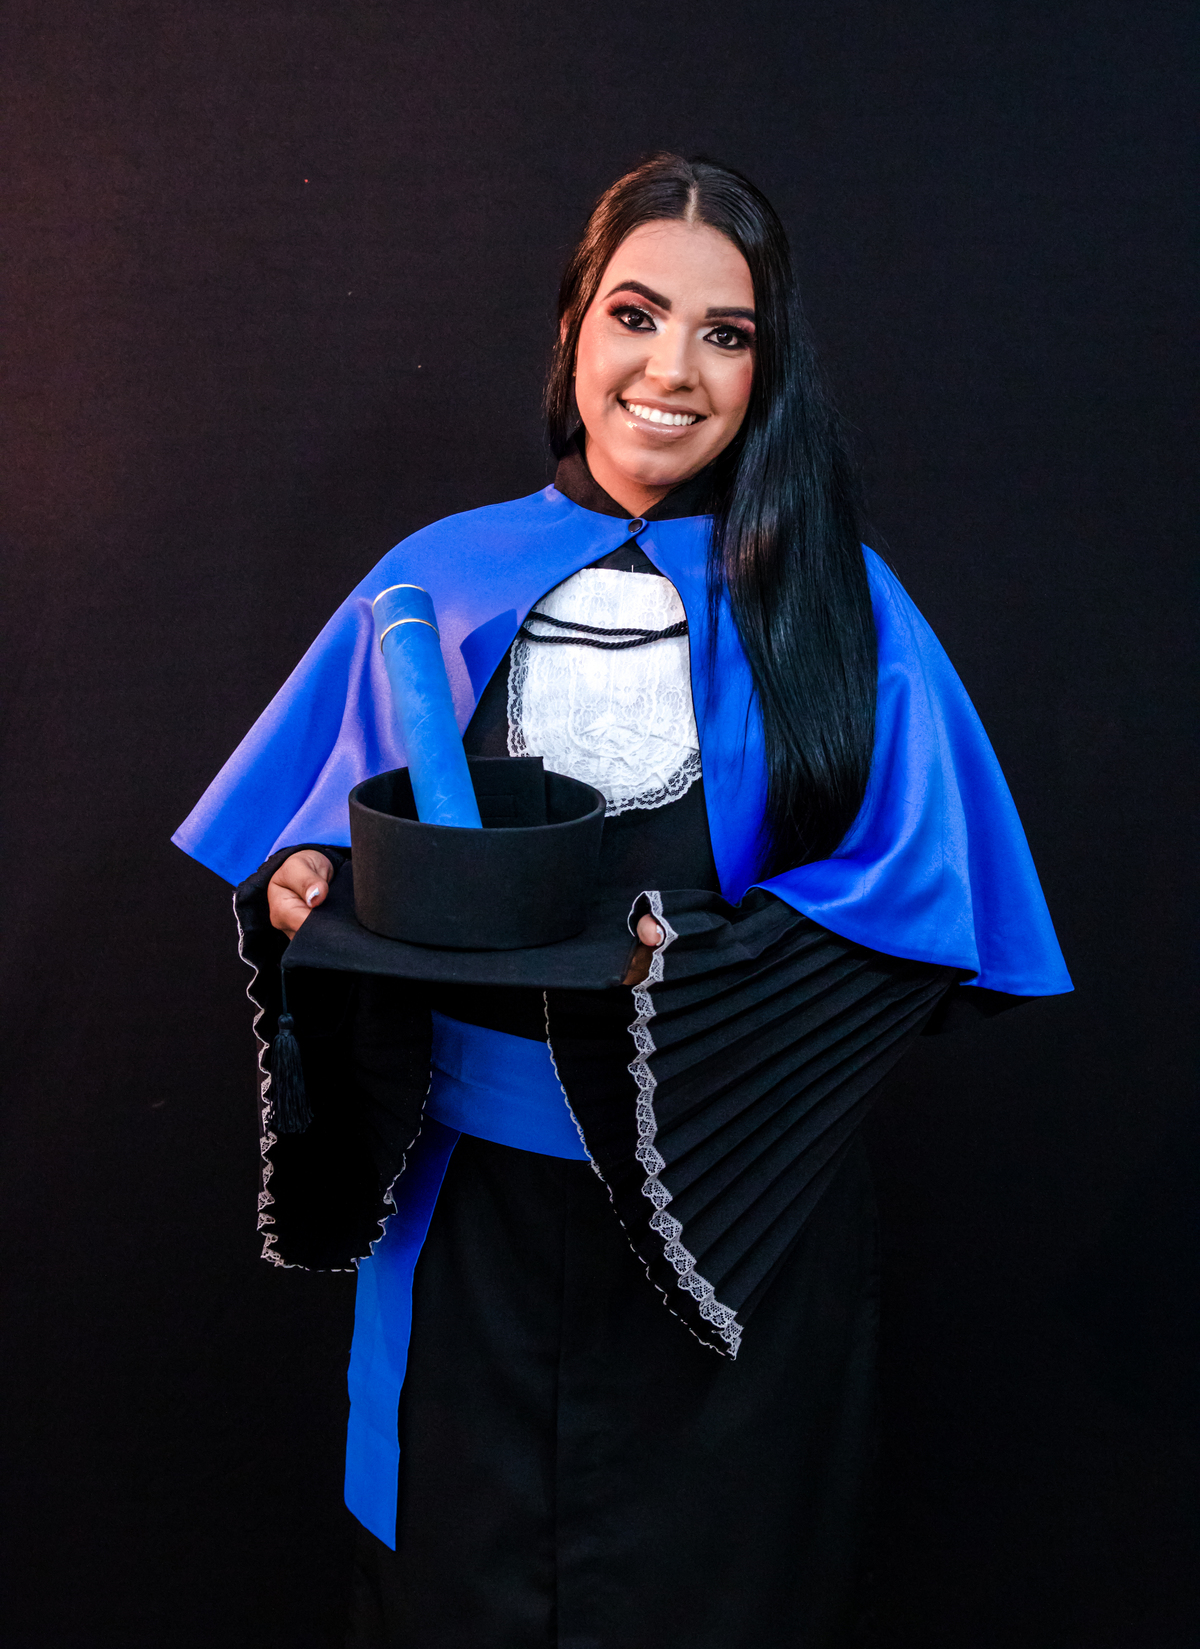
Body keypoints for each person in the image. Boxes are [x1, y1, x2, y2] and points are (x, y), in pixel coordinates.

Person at [174, 153, 1070, 1648]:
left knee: (718, 1602)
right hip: (470, 1245)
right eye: (637, 315)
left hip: (734, 1236)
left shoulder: (845, 611)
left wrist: (677, 987)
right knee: (454, 1597)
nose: (673, 369)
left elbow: (914, 923)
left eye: (726, 334)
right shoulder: (440, 578)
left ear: (767, 370)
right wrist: (309, 882)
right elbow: (320, 843)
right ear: (575, 332)